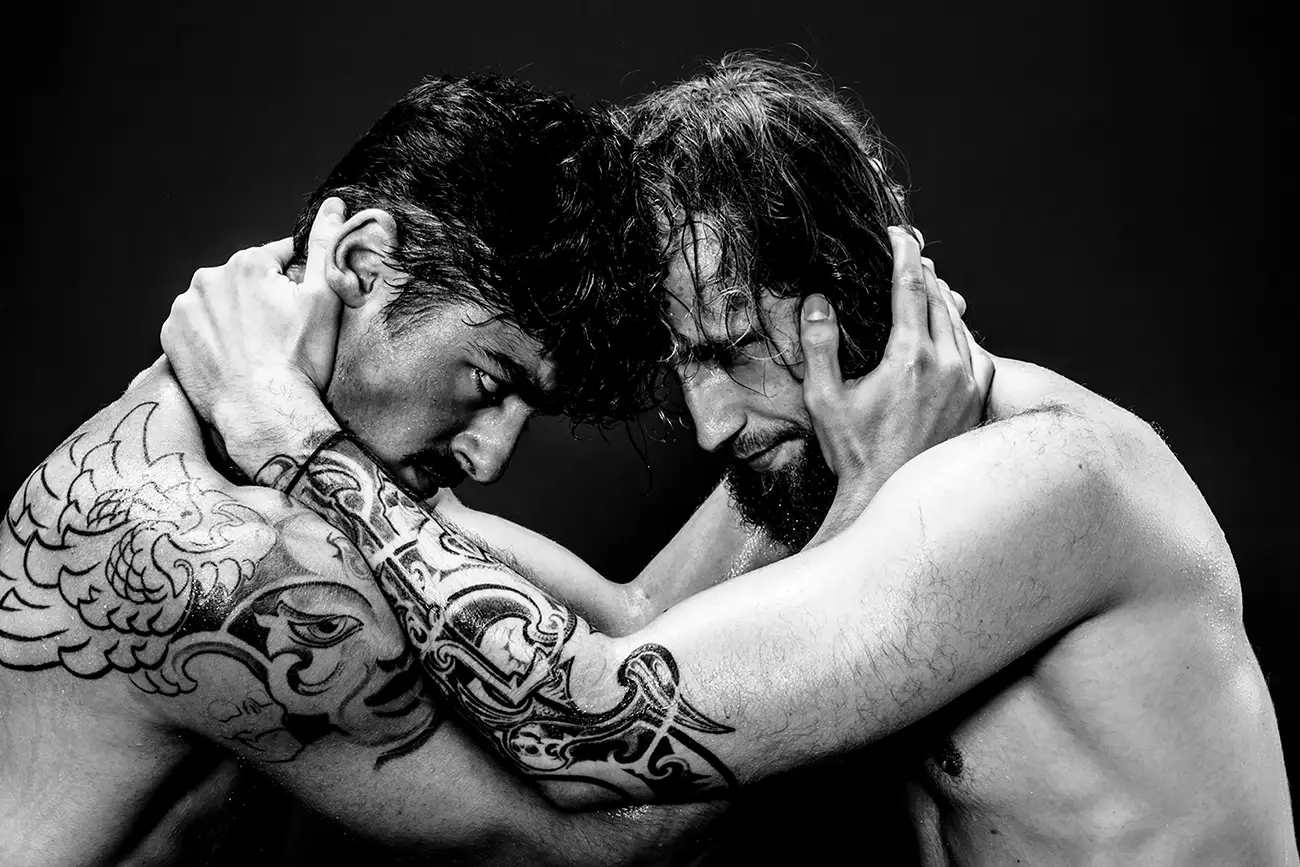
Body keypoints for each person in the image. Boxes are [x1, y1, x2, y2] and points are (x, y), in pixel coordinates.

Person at [163, 55, 1296, 866]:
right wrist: (366, 462)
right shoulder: (823, 458)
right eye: (680, 370)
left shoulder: (1047, 480)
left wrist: (289, 434)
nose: (709, 427)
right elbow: (637, 623)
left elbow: (594, 726)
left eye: (730, 351)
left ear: (851, 288)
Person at [0, 70, 983, 866]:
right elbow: (616, 839)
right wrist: (869, 508)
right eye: (486, 380)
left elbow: (635, 622)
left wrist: (807, 418)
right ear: (362, 261)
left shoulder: (304, 481)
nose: (491, 455)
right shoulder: (200, 546)